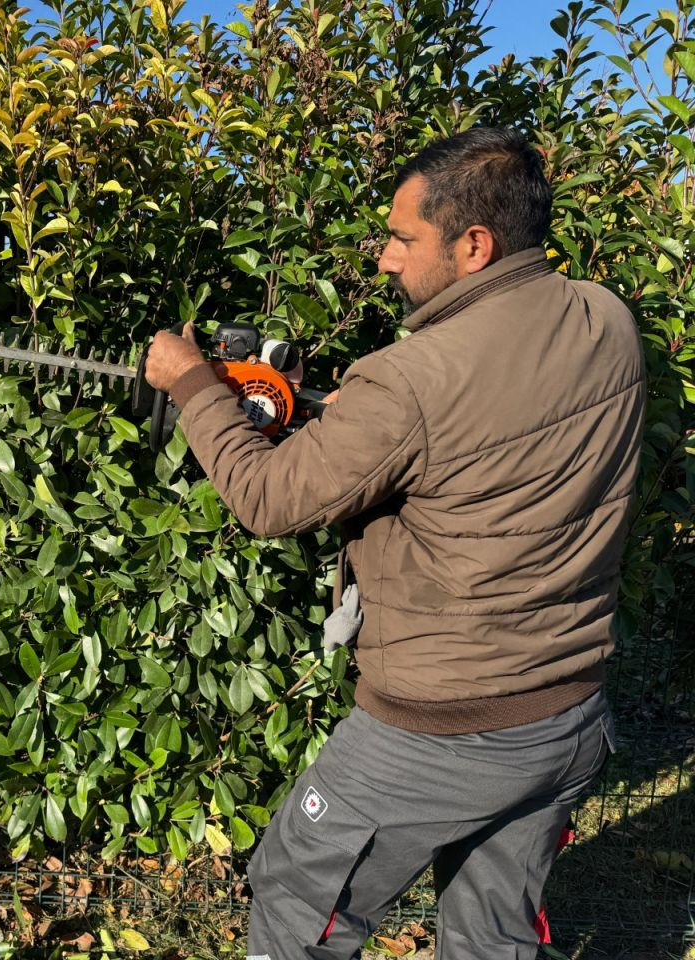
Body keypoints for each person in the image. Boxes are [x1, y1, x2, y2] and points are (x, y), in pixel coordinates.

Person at [143, 127, 645, 960]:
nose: (384, 258)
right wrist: (340, 419)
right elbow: (486, 434)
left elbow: (268, 499)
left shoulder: (409, 380)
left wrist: (195, 384)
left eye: (404, 239)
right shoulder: (607, 320)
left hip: (437, 731)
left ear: (474, 245)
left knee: (297, 901)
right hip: (567, 716)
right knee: (493, 937)